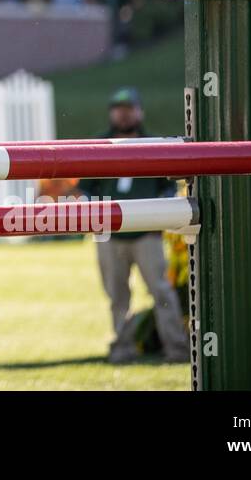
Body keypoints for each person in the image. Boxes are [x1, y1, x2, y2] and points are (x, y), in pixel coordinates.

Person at [76, 88, 189, 364]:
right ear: (111, 112)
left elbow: (168, 189)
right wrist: (91, 214)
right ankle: (123, 349)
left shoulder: (154, 144)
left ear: (140, 111)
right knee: (117, 296)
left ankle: (177, 349)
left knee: (161, 292)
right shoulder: (98, 146)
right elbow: (83, 189)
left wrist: (160, 217)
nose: (123, 113)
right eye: (118, 108)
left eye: (129, 108)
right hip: (109, 234)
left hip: (146, 234)